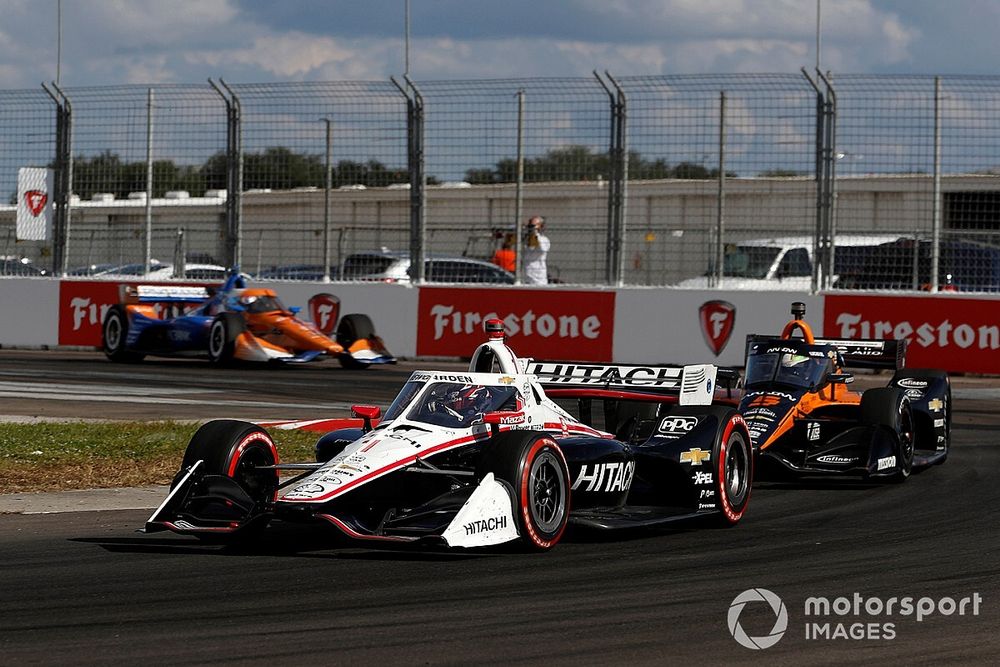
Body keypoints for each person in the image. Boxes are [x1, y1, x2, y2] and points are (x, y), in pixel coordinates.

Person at [523, 215, 550, 285]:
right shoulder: (525, 239)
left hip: (538, 279)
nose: (530, 228)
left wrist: (534, 233)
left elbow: (542, 249)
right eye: (530, 226)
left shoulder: (544, 239)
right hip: (525, 277)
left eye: (533, 226)